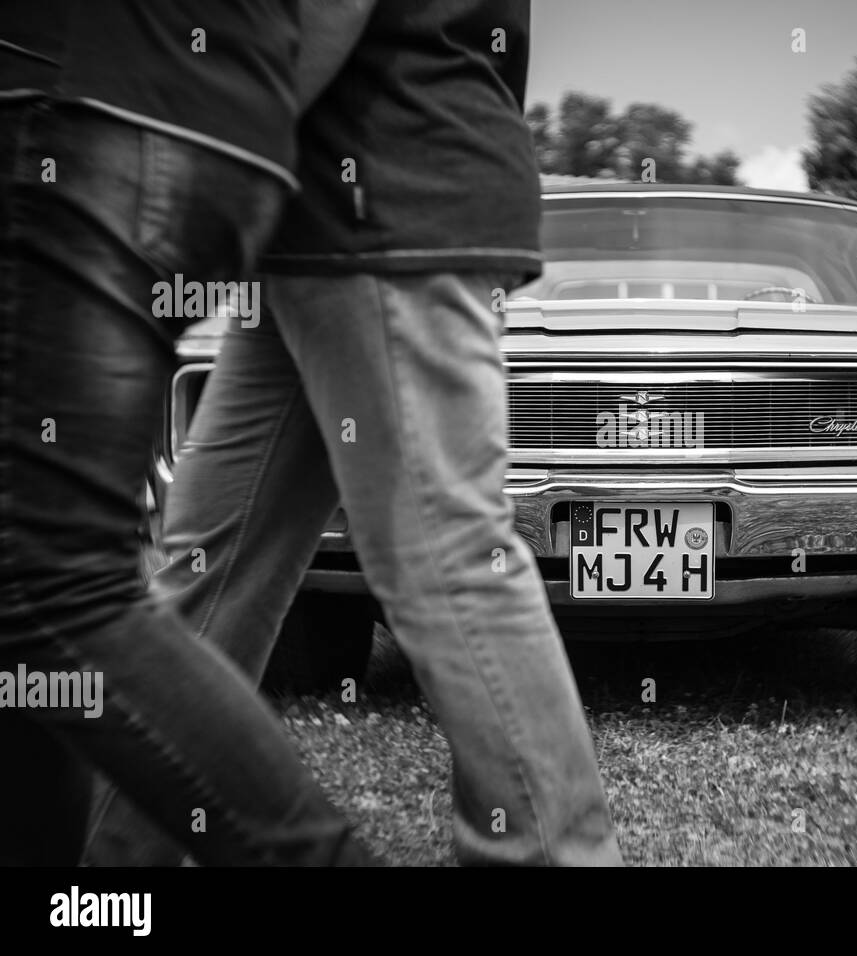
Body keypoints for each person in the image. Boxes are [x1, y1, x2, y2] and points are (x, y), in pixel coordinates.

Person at [86, 0, 624, 867]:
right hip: (307, 232)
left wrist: (201, 163)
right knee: (208, 567)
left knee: (445, 558)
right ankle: (109, 874)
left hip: (382, 204)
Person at [0, 0, 377, 865]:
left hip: (75, 110)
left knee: (47, 586)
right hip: (207, 133)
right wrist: (248, 111)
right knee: (31, 580)